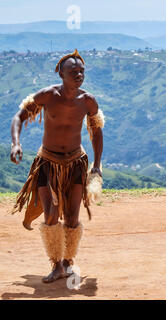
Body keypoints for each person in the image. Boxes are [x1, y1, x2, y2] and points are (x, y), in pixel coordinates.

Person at [10, 49, 104, 283]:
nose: (79, 74)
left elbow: (97, 131)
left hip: (75, 163)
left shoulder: (88, 101)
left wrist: (97, 165)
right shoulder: (47, 96)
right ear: (61, 73)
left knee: (72, 218)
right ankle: (56, 265)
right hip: (48, 163)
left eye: (82, 71)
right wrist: (16, 143)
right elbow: (18, 117)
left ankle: (67, 263)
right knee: (51, 216)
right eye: (73, 71)